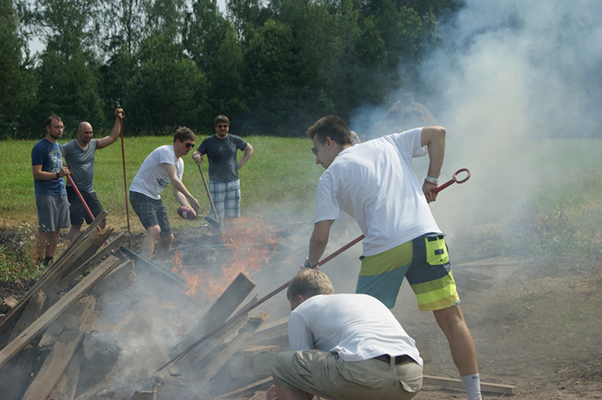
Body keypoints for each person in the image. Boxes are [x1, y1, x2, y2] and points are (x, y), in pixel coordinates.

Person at [303, 115, 482, 400]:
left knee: (359, 327)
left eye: (316, 151)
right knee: (452, 321)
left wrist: (310, 265)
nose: (316, 160)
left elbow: (321, 236)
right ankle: (476, 397)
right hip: (428, 239)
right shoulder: (388, 143)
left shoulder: (330, 176)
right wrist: (431, 180)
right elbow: (438, 133)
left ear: (329, 142)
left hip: (385, 250)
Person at [267, 269, 423, 400]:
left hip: (365, 375)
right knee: (344, 374)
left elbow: (300, 380)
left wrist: (277, 397)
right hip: (410, 378)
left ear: (300, 299)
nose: (293, 311)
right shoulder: (366, 300)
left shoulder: (302, 310)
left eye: (292, 307)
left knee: (281, 363)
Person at [129, 127, 201, 261]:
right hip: (140, 192)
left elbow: (176, 191)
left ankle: (158, 269)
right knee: (154, 229)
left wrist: (189, 208)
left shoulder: (180, 163)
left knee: (168, 237)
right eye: (188, 145)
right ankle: (144, 266)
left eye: (192, 146)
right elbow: (173, 178)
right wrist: (191, 197)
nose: (190, 148)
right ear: (177, 142)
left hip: (155, 197)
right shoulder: (166, 151)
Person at [62, 108, 125, 241]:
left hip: (89, 191)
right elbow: (54, 155)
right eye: (86, 133)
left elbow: (113, 137)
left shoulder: (93, 144)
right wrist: (61, 166)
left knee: (101, 221)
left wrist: (118, 119)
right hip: (74, 190)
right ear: (78, 133)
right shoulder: (70, 147)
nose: (89, 135)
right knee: (76, 224)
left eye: (90, 133)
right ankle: (73, 251)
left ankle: (85, 244)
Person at [192, 115, 253, 229]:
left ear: (228, 127)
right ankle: (217, 236)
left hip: (233, 181)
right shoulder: (208, 141)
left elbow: (249, 149)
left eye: (225, 126)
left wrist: (241, 163)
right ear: (216, 128)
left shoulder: (234, 139)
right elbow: (197, 152)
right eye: (220, 126)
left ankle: (231, 236)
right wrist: (196, 155)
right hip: (216, 182)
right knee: (217, 214)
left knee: (233, 214)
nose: (222, 128)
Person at [31, 115, 71, 266]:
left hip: (60, 193)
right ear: (48, 128)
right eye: (56, 127)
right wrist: (57, 175)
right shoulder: (39, 147)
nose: (59, 130)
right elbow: (37, 173)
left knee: (57, 229)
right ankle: (38, 261)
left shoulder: (59, 147)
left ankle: (49, 260)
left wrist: (65, 195)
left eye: (61, 127)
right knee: (46, 228)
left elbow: (59, 170)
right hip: (45, 193)